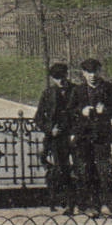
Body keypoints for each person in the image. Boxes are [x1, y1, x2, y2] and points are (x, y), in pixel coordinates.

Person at [67, 58, 112, 217]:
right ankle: (90, 207)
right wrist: (81, 111)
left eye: (95, 71)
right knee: (85, 172)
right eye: (88, 72)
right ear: (83, 73)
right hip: (83, 138)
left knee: (105, 172)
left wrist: (105, 110)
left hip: (102, 137)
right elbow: (69, 112)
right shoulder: (78, 91)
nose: (92, 75)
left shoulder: (108, 88)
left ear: (100, 71)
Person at [33, 62, 73, 210]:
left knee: (78, 169)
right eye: (56, 78)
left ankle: (76, 201)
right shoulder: (48, 94)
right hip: (56, 139)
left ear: (66, 75)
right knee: (61, 169)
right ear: (52, 79)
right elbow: (38, 118)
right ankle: (65, 201)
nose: (60, 80)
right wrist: (50, 130)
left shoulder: (76, 91)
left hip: (73, 135)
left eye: (62, 76)